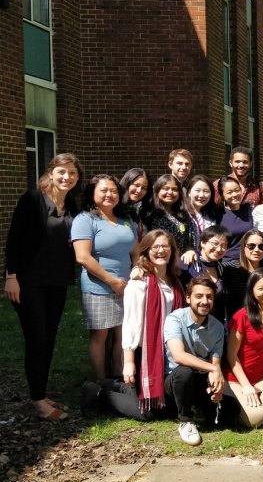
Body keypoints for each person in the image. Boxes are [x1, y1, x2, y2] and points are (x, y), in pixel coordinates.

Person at [5, 153, 84, 420]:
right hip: (29, 281)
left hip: (58, 280)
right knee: (37, 339)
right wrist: (11, 276)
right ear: (50, 172)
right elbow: (14, 239)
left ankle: (41, 393)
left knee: (48, 339)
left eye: (72, 173)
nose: (67, 177)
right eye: (62, 172)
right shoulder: (32, 199)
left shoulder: (71, 204)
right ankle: (38, 401)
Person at [98, 230, 185, 421]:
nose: (161, 251)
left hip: (168, 351)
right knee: (148, 412)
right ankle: (100, 393)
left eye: (165, 246)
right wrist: (128, 362)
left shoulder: (176, 281)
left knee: (168, 407)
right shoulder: (139, 284)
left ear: (172, 250)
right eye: (155, 247)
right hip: (144, 352)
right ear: (146, 251)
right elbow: (131, 323)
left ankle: (119, 386)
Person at [72, 174, 139, 381]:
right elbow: (82, 256)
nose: (109, 194)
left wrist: (136, 271)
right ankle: (102, 381)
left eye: (114, 191)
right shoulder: (85, 220)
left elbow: (135, 250)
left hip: (127, 286)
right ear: (93, 194)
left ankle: (119, 375)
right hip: (98, 287)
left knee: (122, 333)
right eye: (103, 190)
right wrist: (112, 281)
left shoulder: (126, 220)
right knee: (100, 335)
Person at [163, 276, 241, 445]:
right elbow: (179, 355)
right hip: (174, 380)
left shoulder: (217, 327)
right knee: (185, 372)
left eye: (209, 297)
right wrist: (213, 370)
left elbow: (215, 363)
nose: (204, 301)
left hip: (199, 381)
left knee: (233, 409)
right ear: (188, 298)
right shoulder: (175, 319)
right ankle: (186, 421)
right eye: (199, 296)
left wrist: (216, 386)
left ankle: (193, 408)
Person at [226, 268, 263, 428]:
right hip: (236, 379)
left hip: (261, 377)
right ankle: (232, 411)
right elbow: (231, 355)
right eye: (261, 288)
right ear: (252, 291)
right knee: (256, 418)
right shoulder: (242, 316)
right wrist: (245, 385)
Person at [184, 225, 230, 323]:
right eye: (215, 243)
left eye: (224, 245)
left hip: (214, 325)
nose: (219, 249)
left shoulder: (221, 268)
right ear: (203, 243)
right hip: (190, 322)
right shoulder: (189, 263)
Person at [223, 229, 263, 317]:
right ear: (243, 247)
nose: (256, 250)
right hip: (237, 323)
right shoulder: (230, 268)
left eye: (261, 246)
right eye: (251, 246)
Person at [143, 174, 191, 260]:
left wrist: (189, 250)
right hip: (156, 262)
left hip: (178, 263)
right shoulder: (148, 214)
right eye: (165, 189)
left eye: (174, 189)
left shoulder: (183, 215)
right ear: (157, 190)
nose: (170, 192)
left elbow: (188, 241)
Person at [217, 176, 254, 268]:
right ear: (222, 195)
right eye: (229, 192)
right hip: (229, 262)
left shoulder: (249, 209)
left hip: (250, 260)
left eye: (237, 190)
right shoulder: (218, 214)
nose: (235, 194)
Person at [183, 175, 220, 254]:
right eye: (197, 190)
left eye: (206, 191)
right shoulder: (182, 214)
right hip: (187, 260)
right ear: (189, 192)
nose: (201, 195)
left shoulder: (213, 213)